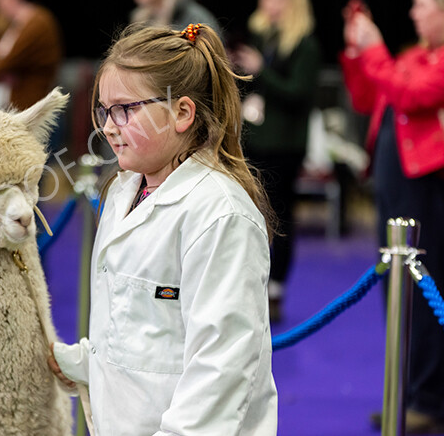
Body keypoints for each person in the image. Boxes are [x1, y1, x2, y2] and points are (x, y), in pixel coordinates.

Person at [48, 23, 278, 434]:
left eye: (126, 109)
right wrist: (75, 363)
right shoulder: (124, 190)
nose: (109, 127)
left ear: (182, 113)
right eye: (103, 110)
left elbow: (220, 371)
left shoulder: (221, 216)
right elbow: (140, 331)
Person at [341, 0, 444, 434]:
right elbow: (367, 94)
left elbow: (410, 95)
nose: (412, 13)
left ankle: (429, 402)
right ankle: (408, 393)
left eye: (421, 4)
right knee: (400, 288)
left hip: (431, 187)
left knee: (427, 289)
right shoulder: (414, 55)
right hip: (396, 185)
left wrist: (375, 50)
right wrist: (359, 51)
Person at [230, 0, 321, 323]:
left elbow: (298, 94)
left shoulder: (306, 46)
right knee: (250, 213)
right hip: (254, 140)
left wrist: (260, 70)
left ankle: (276, 289)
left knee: (280, 216)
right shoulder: (260, 36)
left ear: (291, 1)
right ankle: (249, 281)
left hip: (284, 146)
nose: (267, 2)